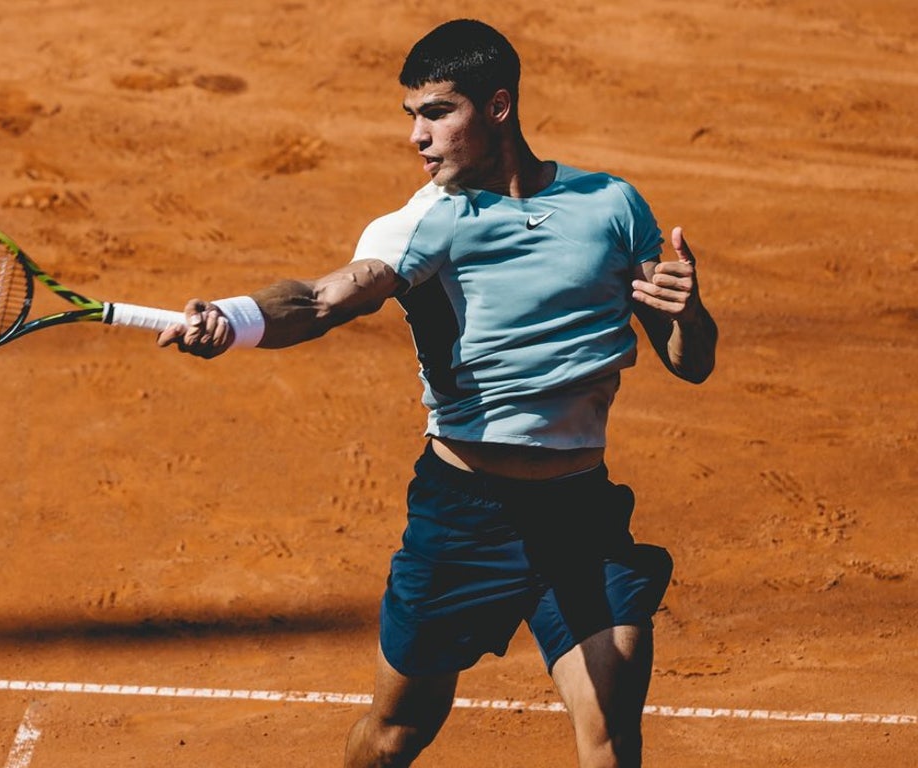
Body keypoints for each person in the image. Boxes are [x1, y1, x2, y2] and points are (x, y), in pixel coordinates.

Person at [158, 18, 717, 768]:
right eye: (411, 116)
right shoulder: (425, 221)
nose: (417, 136)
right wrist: (237, 319)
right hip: (464, 520)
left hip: (579, 513)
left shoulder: (612, 205)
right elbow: (323, 300)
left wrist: (690, 315)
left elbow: (690, 363)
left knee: (612, 739)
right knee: (396, 733)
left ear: (498, 106)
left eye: (437, 113)